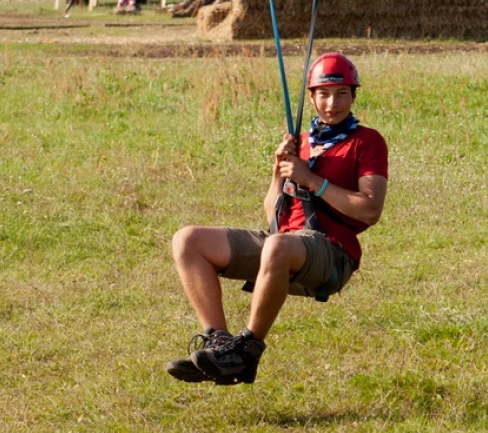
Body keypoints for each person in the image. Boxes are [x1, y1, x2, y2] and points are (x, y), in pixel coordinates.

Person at [166, 51, 389, 386]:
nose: (332, 104)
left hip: (331, 253)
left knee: (277, 246)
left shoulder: (367, 141)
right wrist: (278, 173)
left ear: (354, 96)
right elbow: (274, 213)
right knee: (188, 240)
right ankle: (220, 343)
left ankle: (246, 352)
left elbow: (370, 210)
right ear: (312, 98)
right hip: (284, 243)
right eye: (324, 95)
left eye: (342, 93)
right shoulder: (300, 143)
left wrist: (312, 179)